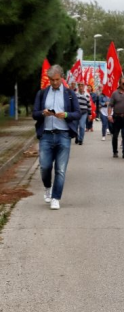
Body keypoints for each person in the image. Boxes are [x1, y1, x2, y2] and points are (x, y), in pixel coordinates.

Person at [32, 65, 80, 210]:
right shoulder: (42, 93)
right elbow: (34, 113)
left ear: (62, 78)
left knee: (60, 169)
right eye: (51, 80)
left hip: (63, 135)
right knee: (45, 167)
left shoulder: (69, 93)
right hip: (46, 134)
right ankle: (48, 187)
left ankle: (55, 197)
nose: (54, 83)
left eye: (57, 80)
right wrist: (43, 113)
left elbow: (77, 113)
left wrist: (65, 115)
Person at [107, 78, 124, 158]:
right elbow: (110, 105)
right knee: (115, 135)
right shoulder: (115, 93)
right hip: (117, 117)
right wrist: (109, 115)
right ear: (120, 84)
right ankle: (115, 151)